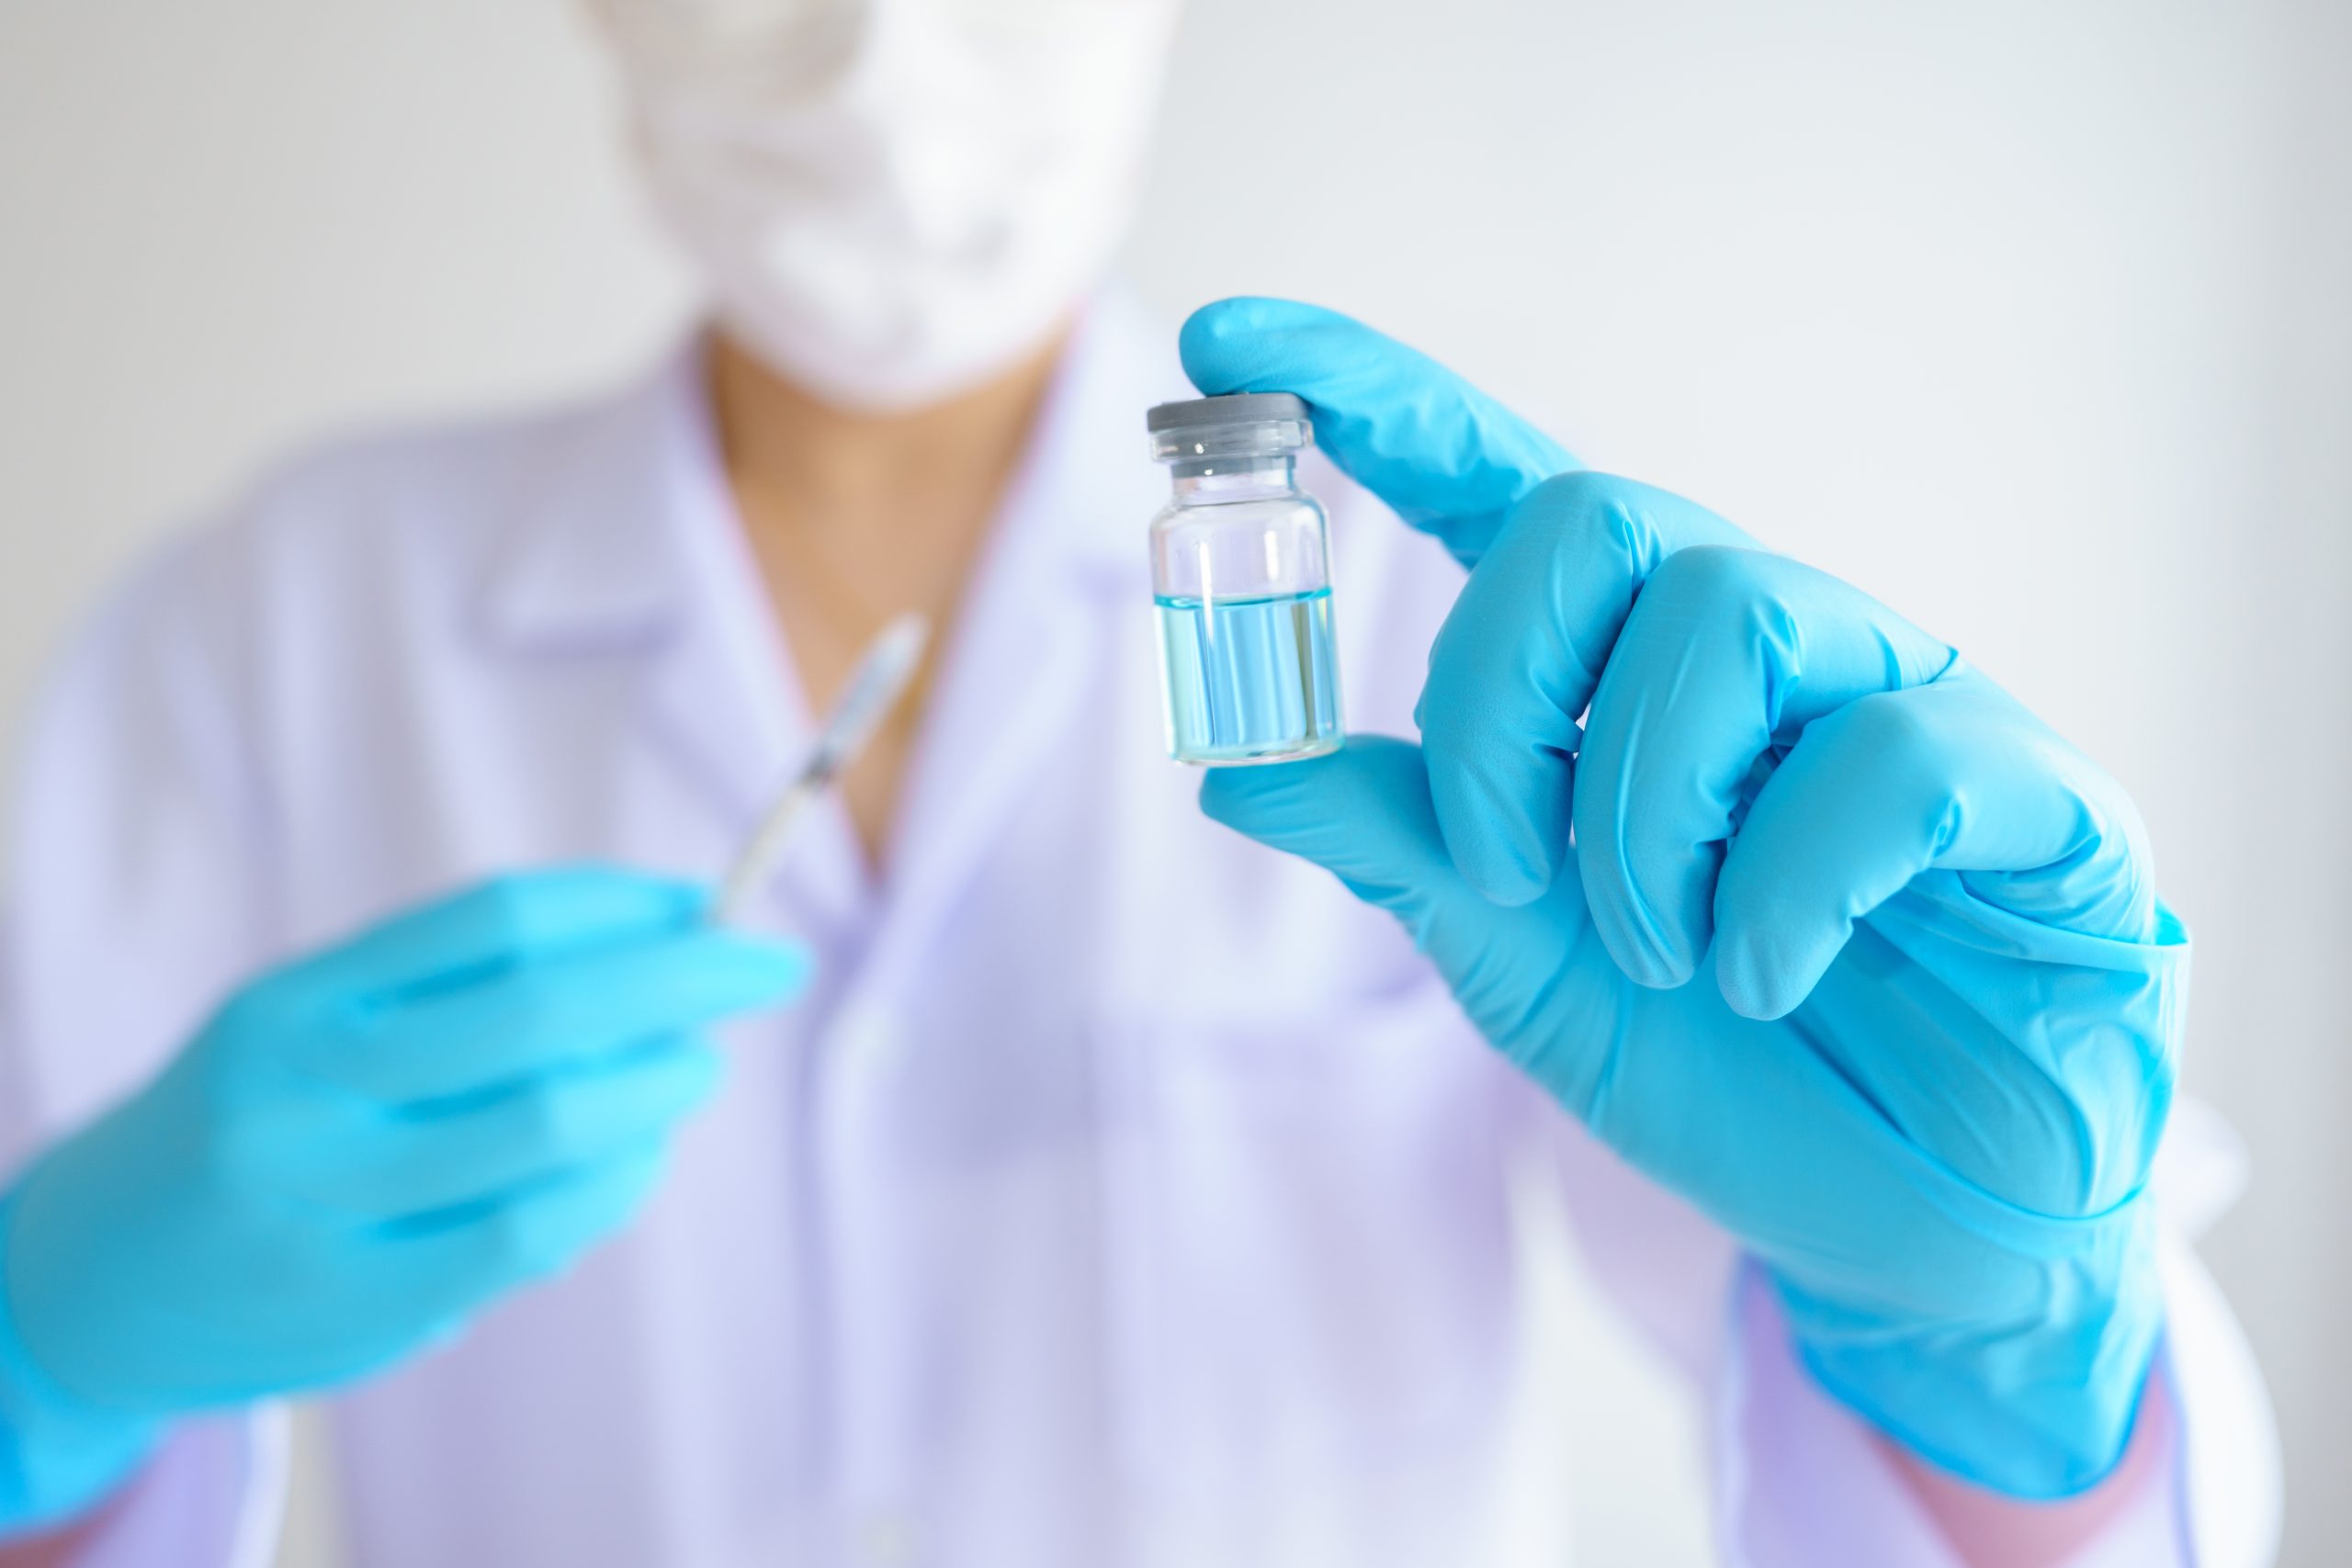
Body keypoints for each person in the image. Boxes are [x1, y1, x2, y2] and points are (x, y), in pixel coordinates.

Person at [0, 4, 2279, 1565]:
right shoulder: (282, 625)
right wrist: (33, 1359)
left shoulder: (1450, 615)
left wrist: (2009, 1369)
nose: (889, 56)